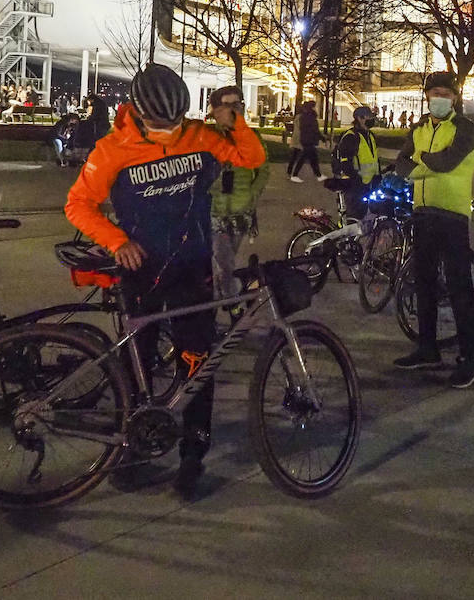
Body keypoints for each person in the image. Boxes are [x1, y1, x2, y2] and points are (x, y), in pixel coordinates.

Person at [65, 64, 266, 498]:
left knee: (197, 362)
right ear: (138, 113)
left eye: (177, 124)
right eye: (161, 126)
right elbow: (79, 204)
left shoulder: (200, 135)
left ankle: (194, 453)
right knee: (137, 361)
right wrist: (116, 241)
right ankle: (133, 446)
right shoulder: (112, 148)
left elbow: (251, 158)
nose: (170, 133)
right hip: (141, 270)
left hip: (192, 267)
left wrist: (237, 121)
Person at [392, 71, 474, 387]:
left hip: (453, 214)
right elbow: (400, 165)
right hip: (423, 214)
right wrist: (420, 163)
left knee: (459, 287)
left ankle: (468, 359)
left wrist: (420, 162)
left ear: (455, 97)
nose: (439, 98)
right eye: (434, 92)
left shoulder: (466, 128)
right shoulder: (418, 127)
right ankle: (427, 348)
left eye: (446, 93)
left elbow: (447, 163)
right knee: (424, 283)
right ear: (427, 96)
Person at [207, 86, 271, 300]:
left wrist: (252, 194)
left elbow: (263, 169)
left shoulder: (252, 136)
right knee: (225, 263)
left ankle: (219, 297)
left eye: (239, 105)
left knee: (227, 260)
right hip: (215, 213)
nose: (236, 110)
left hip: (241, 211)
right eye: (229, 105)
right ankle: (230, 304)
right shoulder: (208, 137)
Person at [334, 105, 380, 218]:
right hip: (354, 187)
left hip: (368, 185)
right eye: (368, 117)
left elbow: (374, 159)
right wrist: (355, 179)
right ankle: (345, 235)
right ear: (359, 118)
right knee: (354, 221)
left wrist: (378, 176)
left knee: (367, 220)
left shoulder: (370, 136)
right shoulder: (351, 137)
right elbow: (345, 162)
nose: (371, 119)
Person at [289, 100, 325, 182]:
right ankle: (295, 175)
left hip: (306, 139)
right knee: (305, 158)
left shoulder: (304, 116)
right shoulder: (310, 117)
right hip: (309, 140)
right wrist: (321, 137)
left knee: (313, 158)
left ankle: (318, 174)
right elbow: (314, 129)